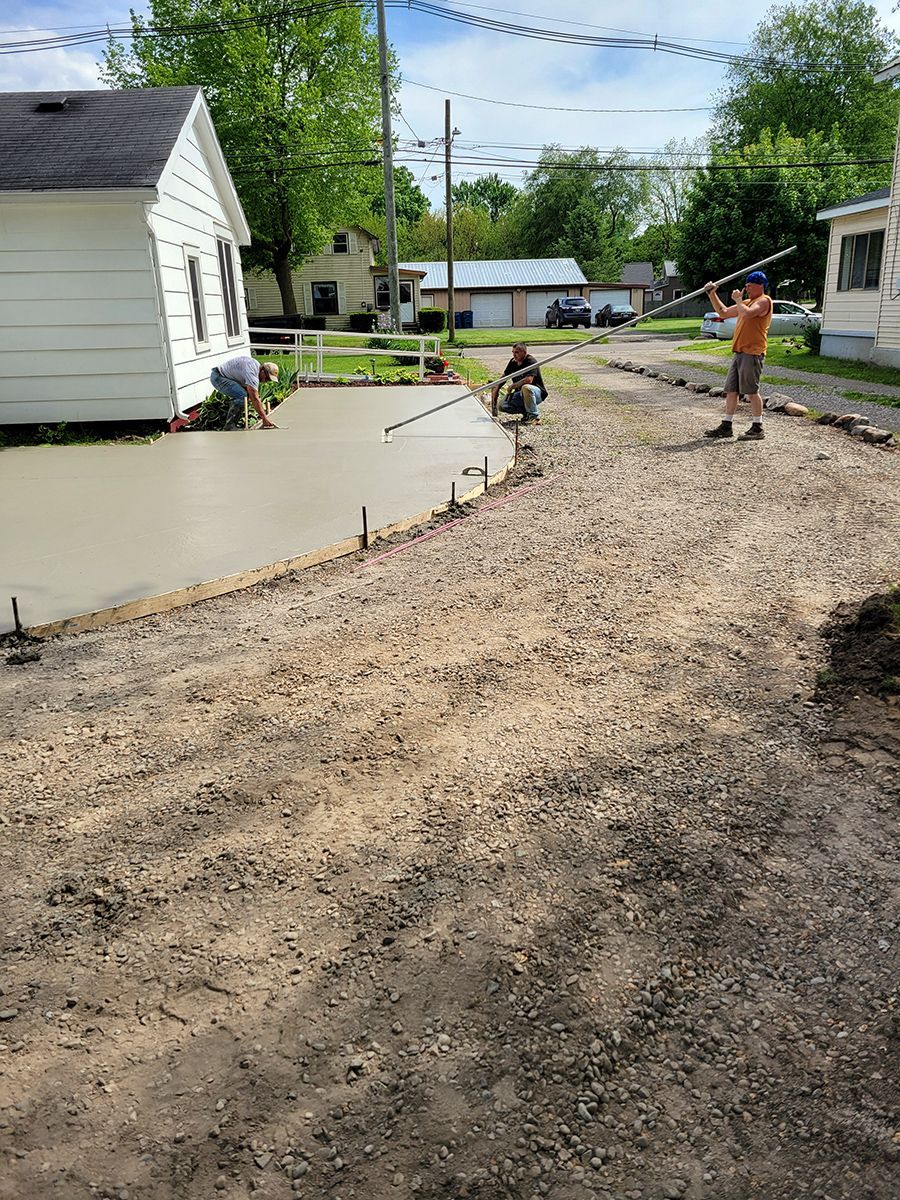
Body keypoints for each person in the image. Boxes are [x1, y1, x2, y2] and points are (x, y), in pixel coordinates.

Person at [702, 271, 773, 441]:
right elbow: (724, 312)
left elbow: (748, 314)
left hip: (752, 352)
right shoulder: (747, 302)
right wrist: (712, 294)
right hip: (739, 352)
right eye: (746, 284)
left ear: (760, 285)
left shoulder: (764, 301)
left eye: (750, 284)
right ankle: (726, 425)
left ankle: (758, 427)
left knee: (751, 391)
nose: (747, 287)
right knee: (731, 390)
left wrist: (739, 301)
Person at [210, 356, 279, 430]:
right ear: (262, 371)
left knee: (246, 395)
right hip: (219, 377)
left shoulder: (255, 367)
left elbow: (253, 394)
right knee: (242, 396)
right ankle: (229, 426)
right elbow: (255, 398)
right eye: (267, 378)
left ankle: (233, 424)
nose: (266, 381)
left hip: (223, 375)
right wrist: (264, 418)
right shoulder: (252, 373)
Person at [490, 342, 548, 425]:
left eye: (516, 352)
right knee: (502, 405)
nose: (514, 355)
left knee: (526, 387)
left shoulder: (531, 361)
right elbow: (505, 376)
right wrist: (497, 388)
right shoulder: (513, 362)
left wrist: (513, 386)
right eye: (513, 352)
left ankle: (534, 416)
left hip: (536, 393)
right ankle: (527, 412)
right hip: (520, 394)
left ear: (524, 352)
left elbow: (529, 380)